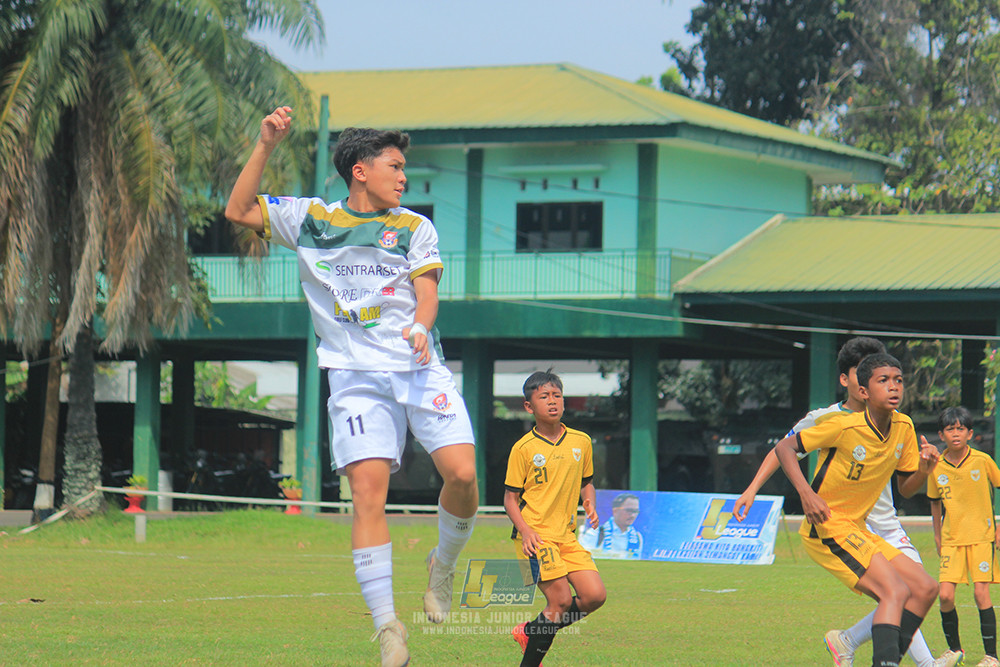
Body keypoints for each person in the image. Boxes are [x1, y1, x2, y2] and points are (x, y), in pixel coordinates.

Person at [226, 106, 479, 667]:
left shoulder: (415, 226)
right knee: (368, 494)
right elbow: (237, 208)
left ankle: (442, 563)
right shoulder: (310, 219)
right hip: (355, 379)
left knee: (462, 475)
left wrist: (419, 325)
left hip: (419, 368)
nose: (404, 176)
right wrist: (265, 143)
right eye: (395, 165)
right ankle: (388, 627)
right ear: (360, 170)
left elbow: (429, 293)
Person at [734, 337, 957, 667]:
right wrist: (797, 494)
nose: (893, 386)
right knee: (895, 592)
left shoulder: (903, 426)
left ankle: (866, 649)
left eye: (898, 380)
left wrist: (925, 469)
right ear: (855, 384)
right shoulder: (833, 421)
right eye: (882, 379)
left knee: (924, 588)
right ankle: (909, 662)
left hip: (870, 524)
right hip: (829, 522)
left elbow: (907, 489)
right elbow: (784, 448)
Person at [504, 371, 607, 667]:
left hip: (567, 537)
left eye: (557, 396)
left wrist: (590, 504)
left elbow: (587, 481)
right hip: (534, 537)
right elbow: (510, 499)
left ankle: (531, 630)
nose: (552, 402)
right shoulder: (523, 449)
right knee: (560, 601)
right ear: (528, 406)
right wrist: (525, 532)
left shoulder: (581, 441)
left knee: (594, 596)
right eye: (544, 397)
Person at [927, 406, 1000, 667]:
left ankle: (991, 657)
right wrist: (937, 537)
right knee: (945, 595)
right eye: (950, 429)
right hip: (952, 539)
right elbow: (935, 503)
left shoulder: (982, 461)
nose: (955, 434)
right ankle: (954, 651)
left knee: (981, 594)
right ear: (941, 434)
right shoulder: (936, 467)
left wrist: (999, 527)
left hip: (982, 537)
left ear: (969, 433)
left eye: (960, 429)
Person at [578, 491, 643, 559]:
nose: (632, 515)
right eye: (629, 510)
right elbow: (583, 558)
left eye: (636, 511)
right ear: (615, 511)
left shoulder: (637, 537)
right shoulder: (596, 533)